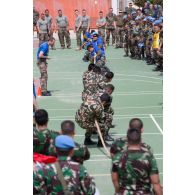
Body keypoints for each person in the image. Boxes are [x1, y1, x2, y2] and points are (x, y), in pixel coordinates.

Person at [111, 128, 163, 195]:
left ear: (127, 140)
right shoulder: (149, 157)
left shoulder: (117, 157)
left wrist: (118, 191)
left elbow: (115, 179)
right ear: (140, 140)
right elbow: (156, 183)